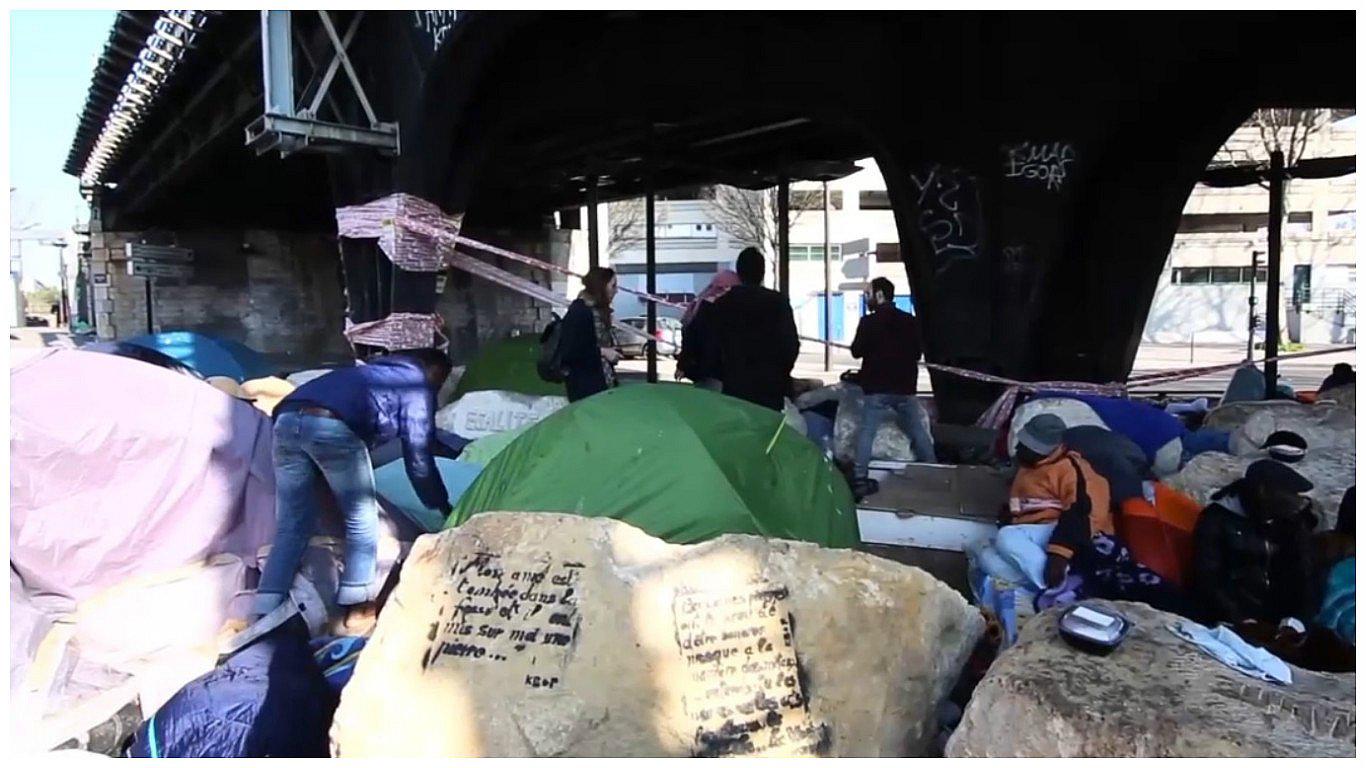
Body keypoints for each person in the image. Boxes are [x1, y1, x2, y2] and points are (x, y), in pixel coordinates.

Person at [254, 348, 453, 634]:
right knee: (362, 519)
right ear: (433, 370)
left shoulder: (366, 373)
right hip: (331, 425)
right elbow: (418, 456)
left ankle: (264, 609)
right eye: (440, 382)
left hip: (285, 421)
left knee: (291, 525)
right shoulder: (415, 382)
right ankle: (358, 608)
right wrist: (440, 505)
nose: (437, 390)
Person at [1004, 415, 1192, 615]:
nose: (1018, 449)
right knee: (988, 557)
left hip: (1070, 534)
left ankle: (1058, 586)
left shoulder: (1072, 469)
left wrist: (1059, 554)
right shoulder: (1030, 466)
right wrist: (1011, 516)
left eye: (1027, 446)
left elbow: (1082, 513)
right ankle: (1042, 587)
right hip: (1037, 531)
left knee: (1007, 537)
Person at [1192, 460, 1318, 628]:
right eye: (1291, 495)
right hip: (1231, 618)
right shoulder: (1217, 521)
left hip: (1279, 620)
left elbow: (1304, 574)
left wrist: (1297, 621)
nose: (1297, 503)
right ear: (1263, 491)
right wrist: (1239, 619)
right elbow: (1208, 579)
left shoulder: (1290, 522)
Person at [848, 278, 935, 496]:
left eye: (869, 294)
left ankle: (859, 477)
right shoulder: (910, 321)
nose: (867, 298)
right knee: (917, 430)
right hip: (905, 388)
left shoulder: (868, 322)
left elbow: (856, 351)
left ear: (879, 295)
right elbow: (917, 353)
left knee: (867, 432)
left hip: (876, 389)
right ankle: (934, 469)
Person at [702, 247, 800, 411]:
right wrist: (780, 373)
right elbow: (790, 344)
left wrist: (724, 373)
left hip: (735, 386)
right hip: (770, 387)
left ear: (739, 273)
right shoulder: (778, 302)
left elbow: (712, 348)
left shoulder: (723, 305)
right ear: (762, 272)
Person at [561, 266, 621, 402]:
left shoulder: (599, 311)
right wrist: (603, 352)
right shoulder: (580, 311)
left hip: (602, 382)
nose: (616, 291)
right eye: (613, 286)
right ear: (601, 287)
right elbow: (571, 351)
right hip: (586, 387)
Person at [676, 269, 741, 391]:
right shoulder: (734, 305)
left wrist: (683, 365)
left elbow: (689, 332)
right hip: (725, 371)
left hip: (707, 370)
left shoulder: (702, 302)